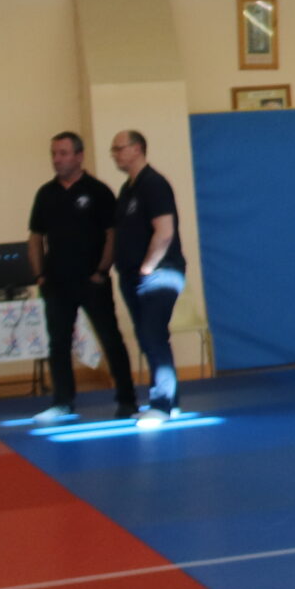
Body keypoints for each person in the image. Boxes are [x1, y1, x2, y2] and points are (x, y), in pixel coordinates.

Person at [27, 130, 137, 425]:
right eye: (53, 154)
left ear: (78, 156)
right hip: (56, 282)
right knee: (58, 343)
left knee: (110, 338)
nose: (57, 159)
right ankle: (62, 402)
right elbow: (35, 237)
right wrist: (39, 275)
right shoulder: (46, 194)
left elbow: (112, 235)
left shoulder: (98, 191)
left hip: (92, 280)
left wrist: (102, 270)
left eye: (63, 153)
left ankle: (127, 399)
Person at [108, 129, 187, 430]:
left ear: (138, 148)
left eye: (119, 148)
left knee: (152, 334)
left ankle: (162, 404)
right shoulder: (128, 189)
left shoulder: (153, 184)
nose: (115, 154)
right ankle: (172, 400)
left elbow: (164, 231)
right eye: (113, 150)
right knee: (147, 336)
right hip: (132, 275)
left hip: (159, 273)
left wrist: (147, 268)